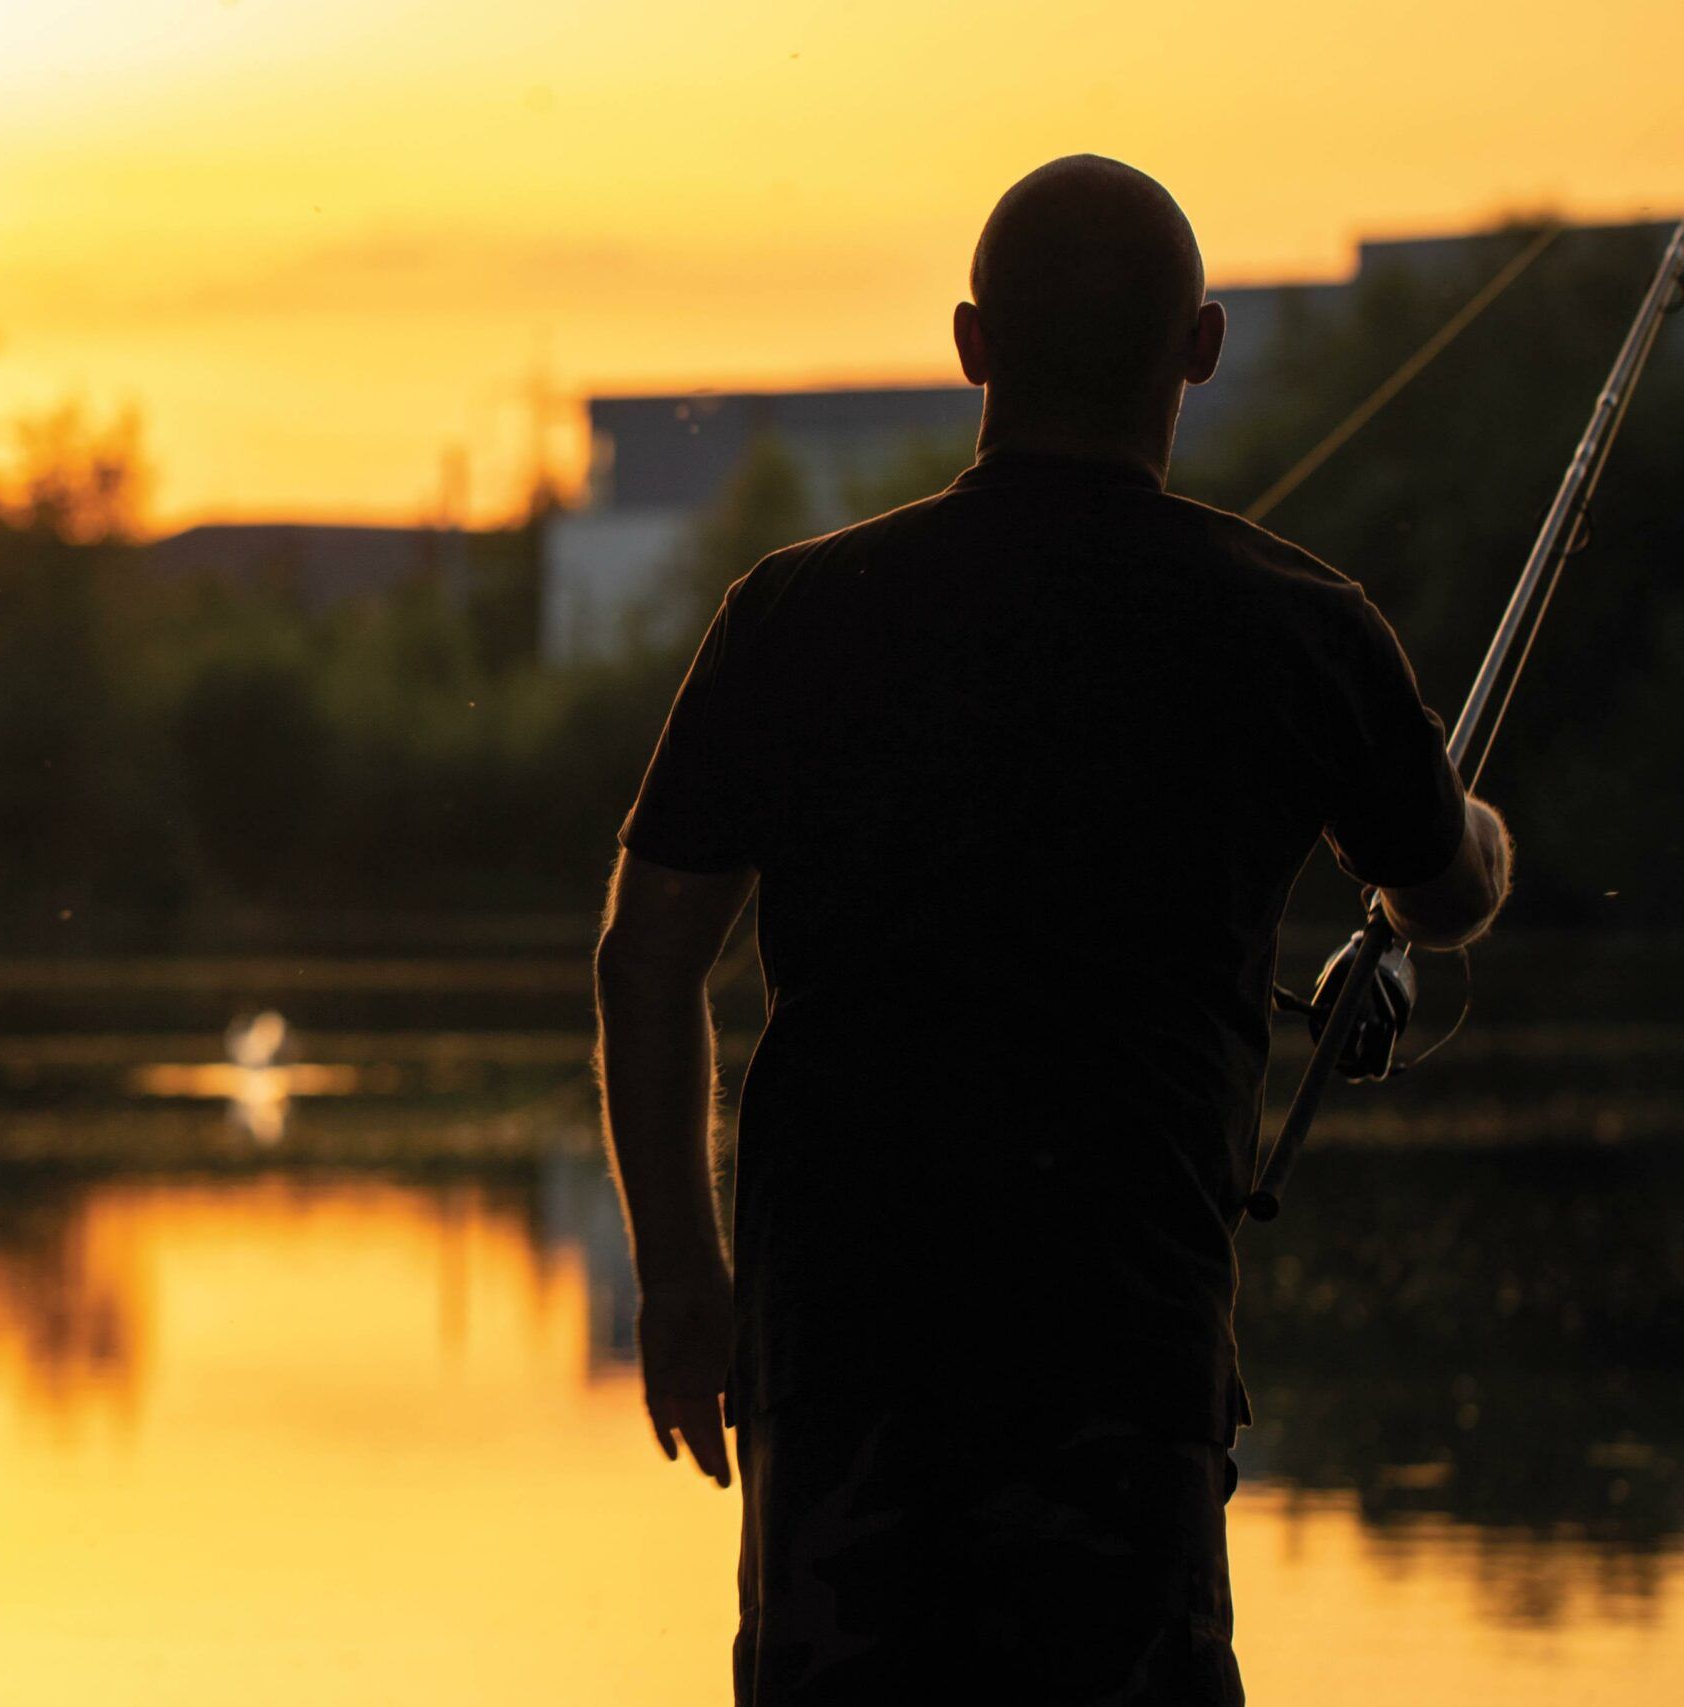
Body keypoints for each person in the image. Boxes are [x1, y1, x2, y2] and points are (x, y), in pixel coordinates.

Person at [592, 154, 1513, 1705]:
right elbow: (1446, 894)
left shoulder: (797, 611)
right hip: (1125, 1360)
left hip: (842, 1371)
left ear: (971, 345)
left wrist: (684, 1281)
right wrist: (1465, 821)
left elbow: (647, 954)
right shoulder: (1300, 623)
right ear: (1201, 349)